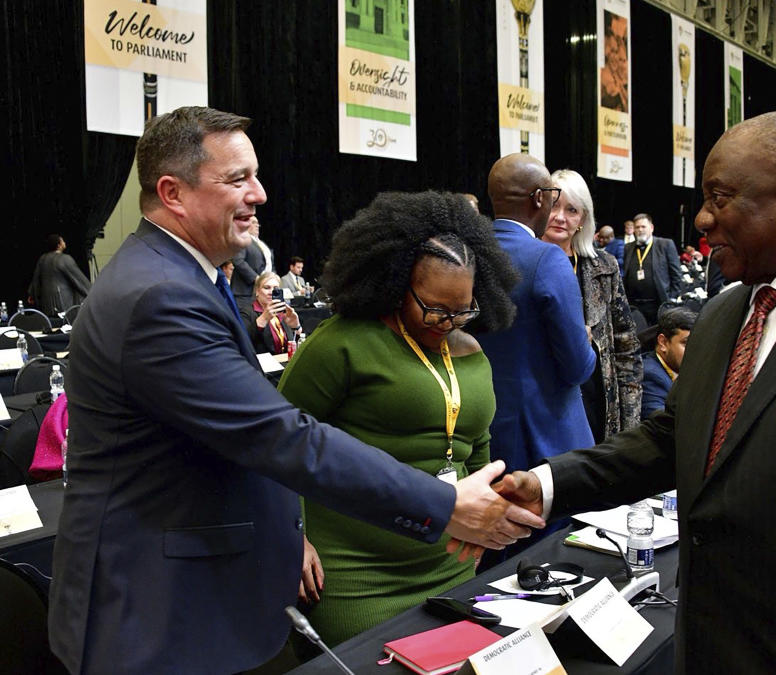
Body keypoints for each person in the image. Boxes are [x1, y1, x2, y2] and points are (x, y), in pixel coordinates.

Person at [48, 107, 543, 675]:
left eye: (255, 175)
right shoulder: (160, 295)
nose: (259, 193)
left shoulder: (185, 276)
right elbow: (284, 436)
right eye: (237, 179)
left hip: (202, 593)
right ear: (172, 193)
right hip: (159, 611)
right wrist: (444, 504)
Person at [495, 110, 776, 673]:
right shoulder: (722, 315)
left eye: (720, 196)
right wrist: (545, 482)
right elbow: (675, 438)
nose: (703, 219)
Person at [278, 191, 517, 646]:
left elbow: (479, 451)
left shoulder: (472, 353)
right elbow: (278, 442)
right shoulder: (343, 342)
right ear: (395, 281)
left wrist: (484, 527)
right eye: (434, 307)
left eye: (462, 309)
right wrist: (292, 537)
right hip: (354, 573)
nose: (447, 322)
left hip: (450, 564)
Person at [477, 153, 595, 473]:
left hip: (481, 431)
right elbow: (576, 368)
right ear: (539, 199)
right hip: (544, 437)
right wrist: (587, 344)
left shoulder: (467, 254)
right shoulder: (547, 260)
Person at [541, 169, 640, 442]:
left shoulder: (604, 266)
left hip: (596, 400)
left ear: (583, 219)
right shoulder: (522, 263)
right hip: (543, 401)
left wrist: (630, 427)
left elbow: (626, 347)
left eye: (572, 209)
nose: (561, 217)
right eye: (554, 206)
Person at [622, 213, 682, 327]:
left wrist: (671, 299)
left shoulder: (665, 244)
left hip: (658, 304)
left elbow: (676, 274)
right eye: (637, 227)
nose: (640, 230)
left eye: (643, 227)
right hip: (635, 306)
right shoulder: (628, 247)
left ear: (652, 228)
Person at [640, 307, 695, 419]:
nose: (694, 351)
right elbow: (663, 424)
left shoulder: (685, 370)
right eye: (686, 343)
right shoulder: (650, 376)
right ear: (663, 342)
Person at [27, 234, 91, 315]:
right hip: (63, 302)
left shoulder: (43, 259)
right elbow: (80, 280)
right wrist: (93, 292)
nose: (64, 242)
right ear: (59, 245)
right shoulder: (64, 259)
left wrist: (32, 294)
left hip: (46, 303)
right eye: (62, 241)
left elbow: (36, 280)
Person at [241, 271, 302, 355]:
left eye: (276, 288)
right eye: (267, 288)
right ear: (257, 291)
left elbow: (293, 344)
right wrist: (263, 319)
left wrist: (296, 327)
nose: (271, 292)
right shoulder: (246, 312)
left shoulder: (283, 312)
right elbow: (242, 342)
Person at [230, 215, 271, 305]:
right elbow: (238, 261)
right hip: (245, 292)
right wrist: (255, 278)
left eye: (257, 223)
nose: (257, 225)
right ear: (245, 225)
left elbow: (269, 264)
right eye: (253, 222)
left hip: (262, 293)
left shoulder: (261, 244)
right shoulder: (243, 240)